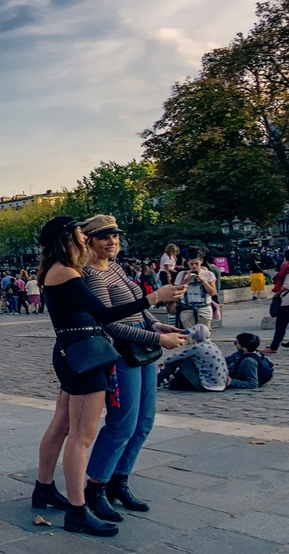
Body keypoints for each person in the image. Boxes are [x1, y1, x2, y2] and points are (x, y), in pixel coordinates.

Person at [32, 216, 182, 537]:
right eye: (80, 235)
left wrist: (151, 318)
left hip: (75, 351)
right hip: (84, 354)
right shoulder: (67, 272)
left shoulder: (61, 270)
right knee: (81, 436)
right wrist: (155, 297)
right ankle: (77, 509)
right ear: (66, 239)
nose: (85, 240)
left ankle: (44, 489)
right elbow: (105, 314)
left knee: (62, 426)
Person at [81, 215, 187, 522]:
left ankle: (119, 480)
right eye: (104, 237)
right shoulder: (93, 275)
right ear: (89, 242)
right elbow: (110, 323)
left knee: (144, 421)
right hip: (122, 354)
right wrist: (156, 337)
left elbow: (135, 303)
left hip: (142, 349)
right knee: (122, 423)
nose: (111, 242)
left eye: (114, 236)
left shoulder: (115, 267)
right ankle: (96, 486)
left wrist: (155, 322)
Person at [174, 248, 218, 329]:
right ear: (188, 263)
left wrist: (204, 281)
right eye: (191, 264)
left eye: (196, 263)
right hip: (187, 309)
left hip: (204, 309)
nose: (194, 266)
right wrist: (185, 281)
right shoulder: (181, 274)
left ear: (201, 261)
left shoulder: (208, 274)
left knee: (204, 335)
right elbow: (176, 293)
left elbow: (213, 293)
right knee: (189, 336)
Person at [264, 253, 289, 355]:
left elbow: (287, 285)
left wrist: (277, 293)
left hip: (286, 302)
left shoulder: (287, 269)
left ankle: (274, 347)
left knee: (280, 325)